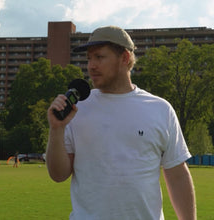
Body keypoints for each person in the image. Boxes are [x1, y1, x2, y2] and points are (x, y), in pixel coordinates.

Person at [46, 26, 196, 220]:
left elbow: (177, 176)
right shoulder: (76, 110)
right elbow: (58, 175)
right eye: (89, 59)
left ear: (124, 58)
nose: (91, 65)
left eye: (99, 57)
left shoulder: (160, 109)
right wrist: (56, 130)